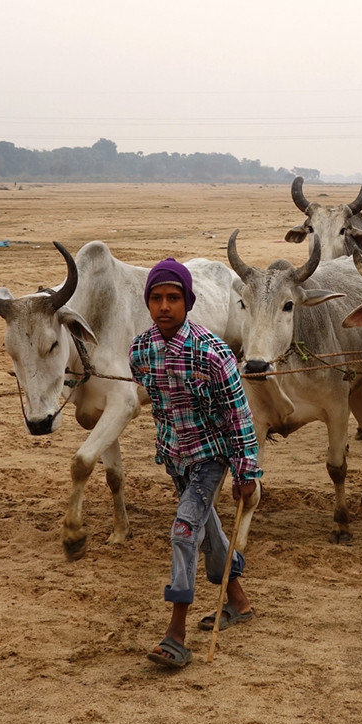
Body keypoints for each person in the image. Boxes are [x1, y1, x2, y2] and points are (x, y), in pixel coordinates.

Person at [128, 258, 262, 668]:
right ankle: (237, 601)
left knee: (184, 531)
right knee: (207, 533)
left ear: (188, 301)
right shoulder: (141, 351)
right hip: (174, 458)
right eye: (156, 298)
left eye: (173, 298)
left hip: (210, 457)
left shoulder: (213, 352)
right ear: (147, 303)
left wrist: (245, 471)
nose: (164, 306)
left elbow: (239, 415)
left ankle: (176, 633)